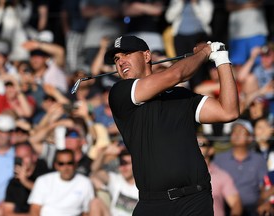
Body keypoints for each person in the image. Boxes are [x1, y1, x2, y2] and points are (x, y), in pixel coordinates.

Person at [101, 35, 239, 215]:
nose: (120, 62)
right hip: (153, 203)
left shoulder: (180, 95)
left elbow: (229, 111)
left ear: (147, 56)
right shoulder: (121, 93)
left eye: (126, 54)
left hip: (195, 199)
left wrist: (221, 59)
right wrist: (206, 52)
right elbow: (176, 74)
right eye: (117, 59)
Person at [214, 119, 268, 216]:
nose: (237, 134)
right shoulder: (219, 159)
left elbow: (264, 186)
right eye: (234, 131)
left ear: (250, 138)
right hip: (225, 210)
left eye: (242, 131)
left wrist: (264, 202)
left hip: (253, 210)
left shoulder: (259, 159)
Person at [28, 149, 94, 216]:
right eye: (61, 164)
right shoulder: (43, 181)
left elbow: (86, 212)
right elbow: (35, 209)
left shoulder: (85, 183)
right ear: (56, 165)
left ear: (75, 164)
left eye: (69, 163)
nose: (66, 167)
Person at [197, 134, 242, 216]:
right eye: (194, 144)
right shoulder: (179, 174)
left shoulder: (221, 175)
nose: (196, 147)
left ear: (211, 150)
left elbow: (236, 203)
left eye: (201, 144)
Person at [90, 147, 138, 216]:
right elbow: (94, 170)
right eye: (121, 163)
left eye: (127, 163)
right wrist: (103, 153)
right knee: (95, 203)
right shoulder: (116, 179)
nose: (124, 167)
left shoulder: (143, 187)